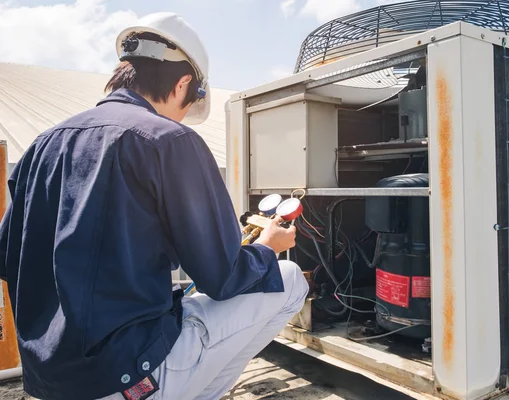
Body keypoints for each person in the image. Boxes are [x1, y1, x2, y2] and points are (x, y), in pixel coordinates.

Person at [0, 12, 308, 400]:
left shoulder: (43, 145)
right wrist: (267, 246)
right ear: (183, 84)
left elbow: (8, 258)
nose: (184, 117)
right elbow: (222, 277)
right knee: (291, 277)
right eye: (189, 103)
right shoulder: (170, 140)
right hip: (128, 374)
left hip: (49, 382)